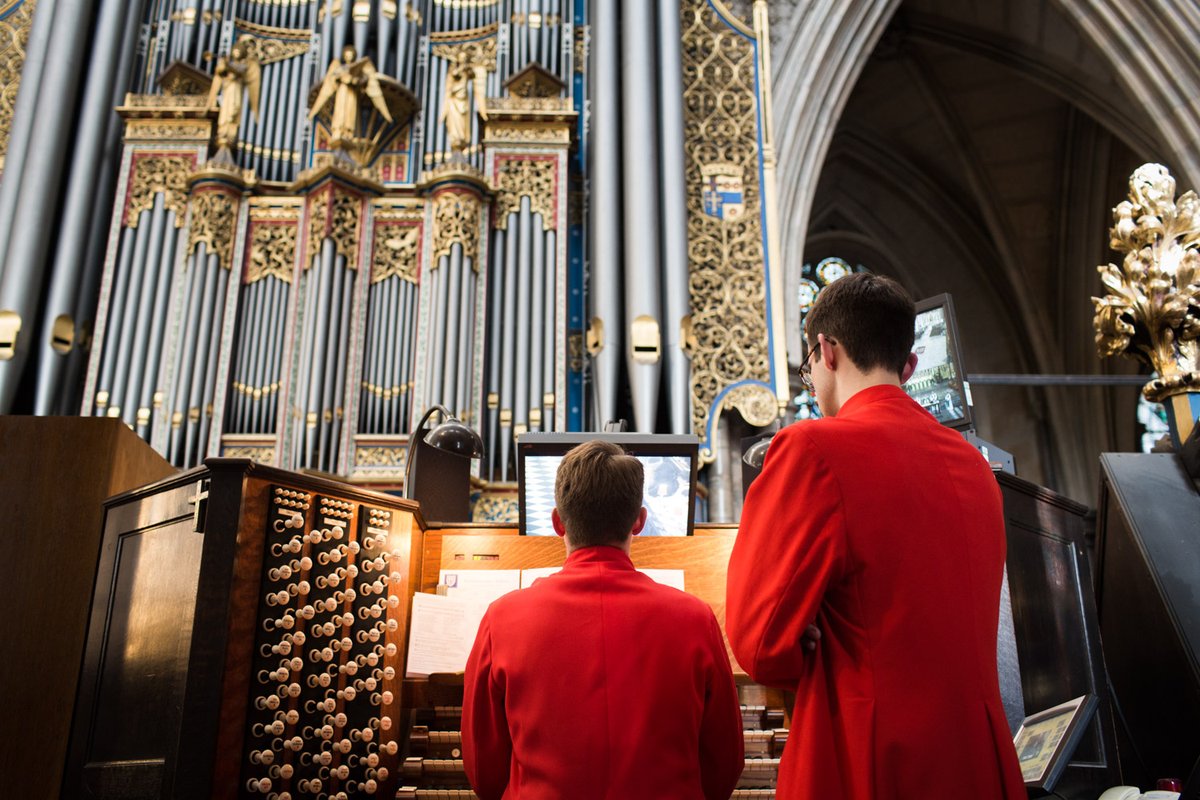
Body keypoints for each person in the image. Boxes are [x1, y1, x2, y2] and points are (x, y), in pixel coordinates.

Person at [725, 272, 1025, 799]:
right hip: (978, 762)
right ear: (909, 366)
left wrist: (803, 637)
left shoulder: (811, 449)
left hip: (870, 757)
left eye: (807, 369)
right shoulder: (977, 469)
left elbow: (760, 641)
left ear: (826, 351)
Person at [463, 440, 744, 800]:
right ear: (639, 521)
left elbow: (484, 771)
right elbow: (724, 764)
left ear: (557, 522)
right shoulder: (697, 618)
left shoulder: (501, 618)